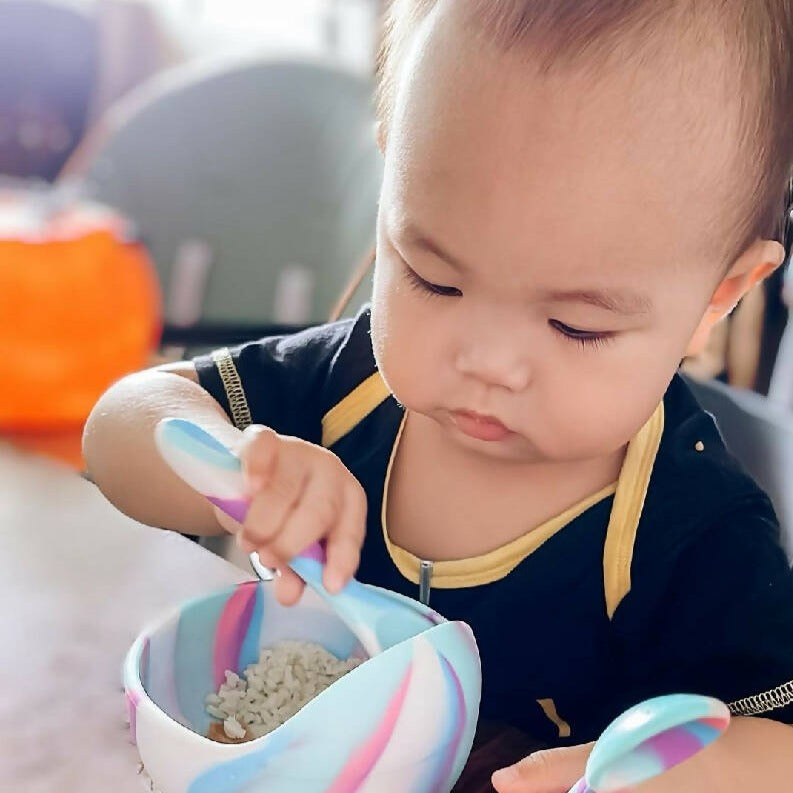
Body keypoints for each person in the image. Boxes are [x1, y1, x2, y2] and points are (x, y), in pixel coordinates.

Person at [84, 1, 793, 790]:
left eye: (574, 325)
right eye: (436, 279)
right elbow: (117, 426)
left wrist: (679, 774)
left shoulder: (690, 530)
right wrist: (234, 475)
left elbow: (776, 748)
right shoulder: (347, 385)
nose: (485, 361)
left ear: (718, 297)